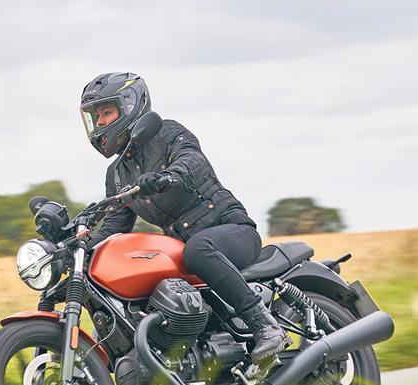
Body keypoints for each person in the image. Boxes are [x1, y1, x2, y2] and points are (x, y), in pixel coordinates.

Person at [80, 72, 290, 366]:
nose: (100, 122)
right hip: (187, 248)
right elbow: (115, 226)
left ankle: (266, 326)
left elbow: (192, 162)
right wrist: (79, 245)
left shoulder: (167, 134)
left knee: (199, 250)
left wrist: (166, 178)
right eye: (96, 116)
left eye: (106, 112)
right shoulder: (117, 175)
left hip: (231, 230)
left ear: (129, 108)